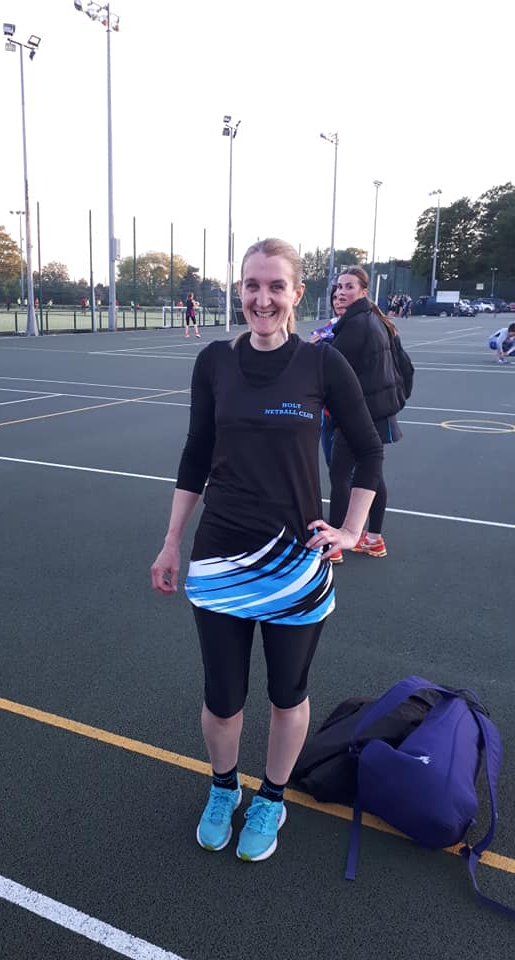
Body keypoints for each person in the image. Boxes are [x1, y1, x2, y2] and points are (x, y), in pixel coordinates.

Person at [151, 239, 383, 863]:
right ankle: (223, 787)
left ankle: (272, 798)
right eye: (252, 285)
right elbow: (195, 454)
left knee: (287, 695)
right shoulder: (214, 362)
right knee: (222, 699)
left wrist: (351, 531)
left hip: (296, 566)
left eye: (275, 286)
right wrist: (171, 542)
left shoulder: (322, 363)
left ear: (296, 294)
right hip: (220, 561)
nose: (262, 298)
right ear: (239, 290)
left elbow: (368, 449)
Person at [326, 266, 404, 563]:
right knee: (371, 473)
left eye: (348, 286)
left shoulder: (356, 325)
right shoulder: (376, 321)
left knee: (340, 474)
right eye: (339, 287)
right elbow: (404, 367)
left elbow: (331, 367)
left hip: (361, 412)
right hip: (380, 409)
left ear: (363, 291)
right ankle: (373, 538)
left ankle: (334, 543)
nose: (341, 292)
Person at [309, 283, 346, 465]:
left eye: (341, 297)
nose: (338, 301)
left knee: (350, 464)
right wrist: (315, 346)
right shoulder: (330, 325)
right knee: (331, 460)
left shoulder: (361, 327)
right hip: (327, 406)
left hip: (349, 406)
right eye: (334, 298)